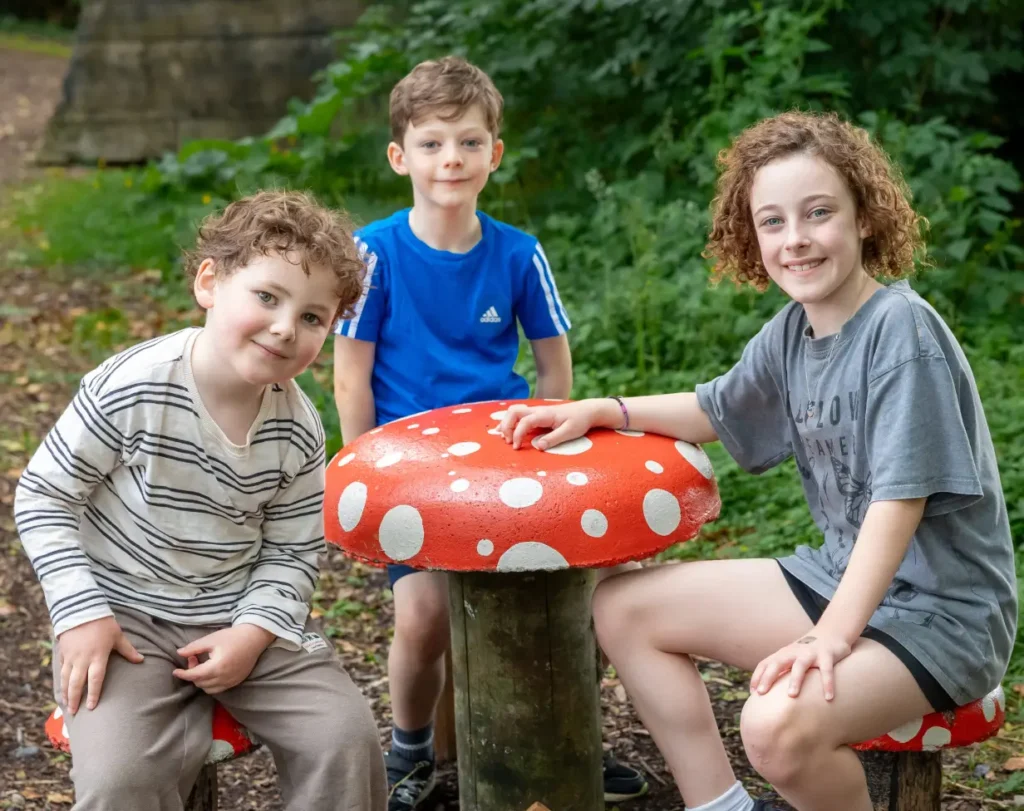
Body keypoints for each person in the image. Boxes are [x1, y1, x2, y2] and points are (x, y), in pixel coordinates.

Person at [497, 111, 1015, 811]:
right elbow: (718, 408)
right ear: (752, 235)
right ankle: (725, 806)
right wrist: (604, 410)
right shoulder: (793, 332)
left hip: (941, 615)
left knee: (773, 726)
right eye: (772, 221)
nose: (795, 238)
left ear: (864, 217)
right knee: (622, 608)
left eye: (819, 212)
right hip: (838, 579)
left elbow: (899, 504)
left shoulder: (901, 329)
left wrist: (829, 638)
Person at [333, 55, 649, 809]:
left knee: (579, 593)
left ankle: (566, 733)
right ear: (400, 155)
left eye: (470, 142)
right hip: (411, 467)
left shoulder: (517, 252)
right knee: (425, 611)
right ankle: (409, 750)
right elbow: (350, 374)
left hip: (506, 458)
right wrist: (361, 471)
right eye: (434, 142)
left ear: (494, 155)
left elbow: (553, 365)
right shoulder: (374, 252)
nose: (452, 158)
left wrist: (547, 440)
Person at [15, 190, 388, 811]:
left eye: (312, 317)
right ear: (210, 282)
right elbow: (44, 494)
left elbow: (293, 551)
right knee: (119, 778)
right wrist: (80, 613)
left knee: (344, 740)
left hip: (241, 612)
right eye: (267, 297)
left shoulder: (297, 428)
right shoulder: (133, 385)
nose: (283, 327)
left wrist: (253, 630)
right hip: (122, 616)